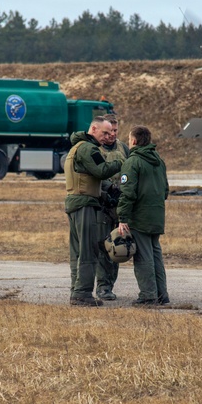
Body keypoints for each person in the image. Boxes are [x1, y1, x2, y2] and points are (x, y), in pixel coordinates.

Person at [65, 117, 123, 307]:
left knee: (77, 252)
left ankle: (76, 290)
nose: (108, 137)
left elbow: (90, 178)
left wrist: (106, 194)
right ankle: (82, 293)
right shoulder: (88, 148)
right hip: (85, 205)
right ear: (93, 129)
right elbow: (101, 170)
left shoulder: (77, 147)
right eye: (104, 133)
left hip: (76, 202)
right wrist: (122, 162)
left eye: (110, 133)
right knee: (88, 251)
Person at [117, 125, 170, 306]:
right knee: (156, 256)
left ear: (133, 141)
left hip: (139, 217)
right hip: (156, 216)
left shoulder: (133, 162)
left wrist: (123, 217)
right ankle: (162, 295)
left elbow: (127, 193)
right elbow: (165, 190)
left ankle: (148, 296)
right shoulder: (159, 161)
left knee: (143, 258)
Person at [95, 114, 129, 301]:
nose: (112, 135)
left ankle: (109, 285)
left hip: (119, 205)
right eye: (108, 132)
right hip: (101, 205)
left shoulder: (123, 148)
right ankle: (102, 286)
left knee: (117, 247)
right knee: (103, 246)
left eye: (115, 131)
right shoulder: (94, 148)